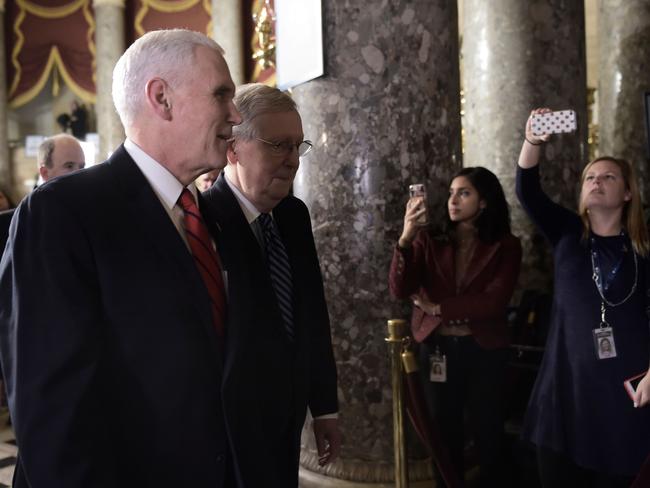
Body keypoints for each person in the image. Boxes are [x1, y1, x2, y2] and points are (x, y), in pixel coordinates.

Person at [0, 29, 243, 487]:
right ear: (162, 98)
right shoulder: (62, 213)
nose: (235, 114)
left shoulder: (207, 215)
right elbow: (54, 415)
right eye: (221, 95)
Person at [201, 83, 340, 486]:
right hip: (227, 433)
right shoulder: (201, 221)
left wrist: (325, 408)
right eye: (279, 145)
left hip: (288, 419)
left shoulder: (294, 215)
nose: (294, 160)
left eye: (299, 145)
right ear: (233, 148)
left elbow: (313, 313)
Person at [517, 108, 650, 487]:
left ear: (627, 193)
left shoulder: (643, 247)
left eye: (608, 176)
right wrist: (532, 141)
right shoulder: (566, 232)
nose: (596, 181)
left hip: (627, 385)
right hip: (567, 385)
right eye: (590, 176)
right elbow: (528, 191)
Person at [389, 167, 522, 487]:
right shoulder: (430, 238)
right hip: (438, 349)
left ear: (485, 201)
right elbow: (400, 288)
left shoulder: (505, 246)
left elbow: (494, 301)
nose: (453, 200)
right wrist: (406, 237)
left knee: (488, 432)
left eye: (464, 193)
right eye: (451, 193)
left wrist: (439, 308)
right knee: (443, 435)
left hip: (484, 351)